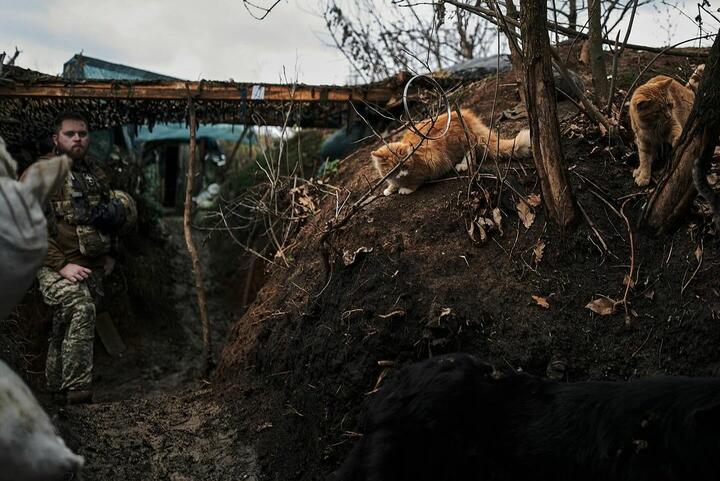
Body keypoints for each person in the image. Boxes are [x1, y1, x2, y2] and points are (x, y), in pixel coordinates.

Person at [34, 111, 135, 405]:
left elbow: (109, 216)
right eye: (70, 133)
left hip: (88, 266)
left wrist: (110, 253)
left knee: (64, 324)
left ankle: (54, 389)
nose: (77, 138)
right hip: (53, 265)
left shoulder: (95, 173)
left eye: (83, 133)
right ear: (56, 138)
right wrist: (61, 265)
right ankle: (78, 391)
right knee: (80, 307)